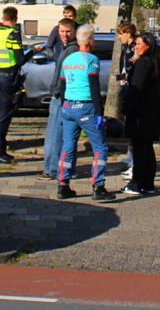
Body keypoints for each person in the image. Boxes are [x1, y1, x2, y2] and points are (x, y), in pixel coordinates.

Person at [57, 25, 115, 201]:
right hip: (86, 106)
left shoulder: (68, 60)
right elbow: (94, 86)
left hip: (68, 106)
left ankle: (62, 185)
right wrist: (99, 113)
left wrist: (63, 107)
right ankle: (98, 186)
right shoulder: (91, 60)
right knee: (100, 146)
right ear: (91, 42)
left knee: (68, 145)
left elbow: (62, 85)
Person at [0, 7, 43, 164]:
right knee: (4, 115)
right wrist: (33, 51)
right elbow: (20, 61)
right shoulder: (12, 34)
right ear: (15, 19)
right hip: (8, 80)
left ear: (3, 17)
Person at [121, 32, 160, 195]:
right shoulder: (153, 62)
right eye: (135, 44)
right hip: (150, 110)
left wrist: (125, 109)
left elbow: (135, 90)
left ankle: (136, 184)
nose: (136, 47)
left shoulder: (144, 63)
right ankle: (148, 183)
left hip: (140, 112)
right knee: (147, 147)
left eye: (139, 44)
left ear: (148, 45)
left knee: (139, 148)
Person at [37, 18, 78, 181]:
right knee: (68, 134)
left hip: (62, 96)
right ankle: (69, 168)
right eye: (61, 31)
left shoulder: (70, 50)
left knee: (55, 133)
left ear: (74, 32)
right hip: (68, 96)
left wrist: (55, 92)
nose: (64, 35)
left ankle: (52, 169)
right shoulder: (68, 48)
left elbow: (61, 75)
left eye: (68, 31)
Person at [116, 22, 138, 180]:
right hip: (125, 85)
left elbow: (131, 69)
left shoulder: (135, 48)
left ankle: (135, 163)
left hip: (131, 88)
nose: (119, 37)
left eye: (121, 34)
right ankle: (130, 155)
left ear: (128, 34)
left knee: (133, 125)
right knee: (128, 125)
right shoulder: (125, 48)